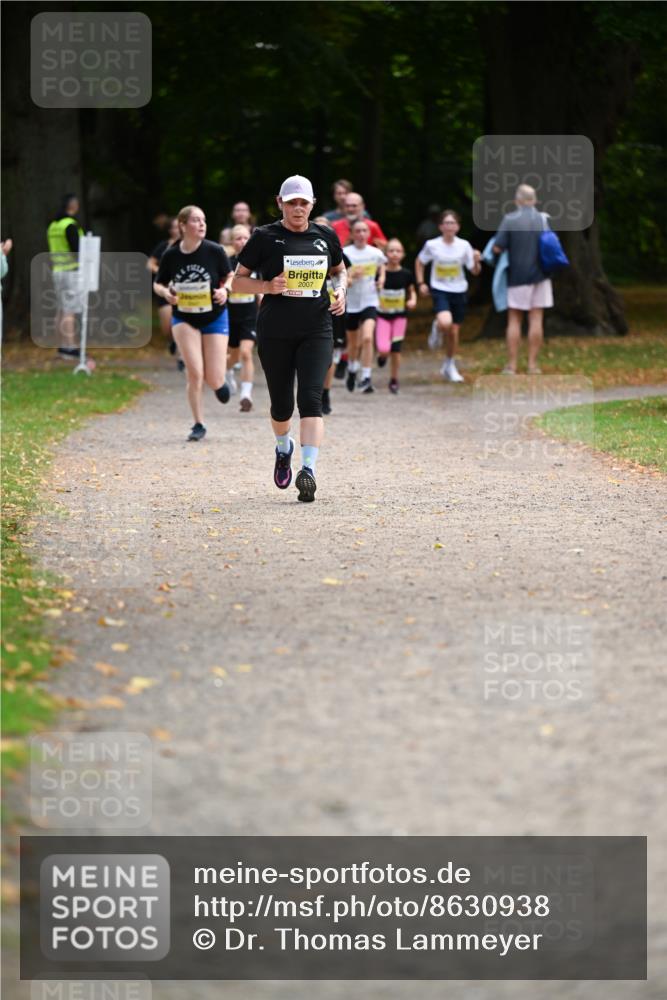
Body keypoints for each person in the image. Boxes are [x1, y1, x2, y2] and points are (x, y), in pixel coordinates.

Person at [231, 175, 346, 502]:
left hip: (317, 328)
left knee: (310, 400)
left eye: (303, 202)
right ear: (280, 203)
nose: (298, 208)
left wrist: (341, 291)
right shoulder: (265, 237)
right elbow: (238, 282)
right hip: (276, 330)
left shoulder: (325, 235)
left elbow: (339, 270)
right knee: (282, 405)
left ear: (312, 204)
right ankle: (284, 448)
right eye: (291, 202)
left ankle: (307, 471)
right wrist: (267, 287)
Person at [154, 205, 232, 441]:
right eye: (196, 220)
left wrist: (225, 290)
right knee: (195, 373)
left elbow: (229, 276)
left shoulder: (215, 250)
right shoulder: (172, 254)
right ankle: (198, 423)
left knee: (213, 377)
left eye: (204, 220)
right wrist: (166, 293)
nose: (201, 224)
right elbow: (158, 283)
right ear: (182, 225)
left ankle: (219, 383)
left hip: (215, 316)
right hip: (184, 317)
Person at [493, 184, 553, 375]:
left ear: (517, 201)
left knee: (515, 320)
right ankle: (533, 365)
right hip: (541, 276)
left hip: (517, 276)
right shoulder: (543, 220)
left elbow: (497, 247)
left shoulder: (510, 220)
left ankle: (512, 366)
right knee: (536, 318)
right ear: (534, 200)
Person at [415, 209, 481, 383]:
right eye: (447, 223)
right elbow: (420, 262)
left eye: (453, 223)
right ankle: (437, 327)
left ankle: (449, 365)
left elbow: (474, 271)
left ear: (458, 227)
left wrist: (476, 260)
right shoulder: (432, 245)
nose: (450, 226)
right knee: (446, 322)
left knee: (453, 331)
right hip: (440, 289)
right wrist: (421, 283)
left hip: (459, 290)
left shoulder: (464, 245)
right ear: (441, 226)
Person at [344, 220, 386, 394]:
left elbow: (382, 265)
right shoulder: (344, 253)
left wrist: (381, 279)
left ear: (369, 234)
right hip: (351, 303)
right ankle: (353, 368)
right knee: (353, 343)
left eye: (364, 231)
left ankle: (366, 376)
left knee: (368, 338)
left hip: (370, 300)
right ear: (352, 234)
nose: (361, 234)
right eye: (358, 231)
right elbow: (339, 277)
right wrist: (351, 277)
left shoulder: (375, 253)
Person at [375, 238, 416, 394]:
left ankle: (394, 379)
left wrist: (412, 300)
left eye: (398, 251)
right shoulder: (380, 273)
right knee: (384, 349)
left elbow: (412, 291)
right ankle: (382, 356)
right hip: (382, 316)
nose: (394, 254)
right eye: (391, 251)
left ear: (403, 254)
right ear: (386, 254)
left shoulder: (406, 274)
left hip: (400, 317)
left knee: (396, 349)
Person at [46, 193, 85, 360]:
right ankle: (71, 346)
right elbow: (77, 250)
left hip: (57, 270)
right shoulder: (70, 225)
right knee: (70, 310)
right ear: (73, 205)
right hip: (71, 271)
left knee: (61, 309)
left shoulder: (53, 226)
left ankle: (62, 346)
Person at [226, 224, 260, 411]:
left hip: (249, 315)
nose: (242, 241)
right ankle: (227, 370)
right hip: (230, 316)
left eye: (245, 238)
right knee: (233, 356)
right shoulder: (226, 262)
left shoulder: (257, 261)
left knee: (246, 353)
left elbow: (261, 287)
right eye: (238, 238)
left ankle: (246, 395)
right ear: (232, 242)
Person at [146, 216, 181, 365]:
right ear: (170, 230)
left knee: (181, 324)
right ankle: (172, 342)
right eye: (173, 227)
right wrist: (161, 271)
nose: (176, 230)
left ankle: (182, 356)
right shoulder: (164, 246)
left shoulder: (192, 247)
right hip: (165, 289)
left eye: (178, 226)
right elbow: (150, 264)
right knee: (168, 328)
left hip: (185, 292)